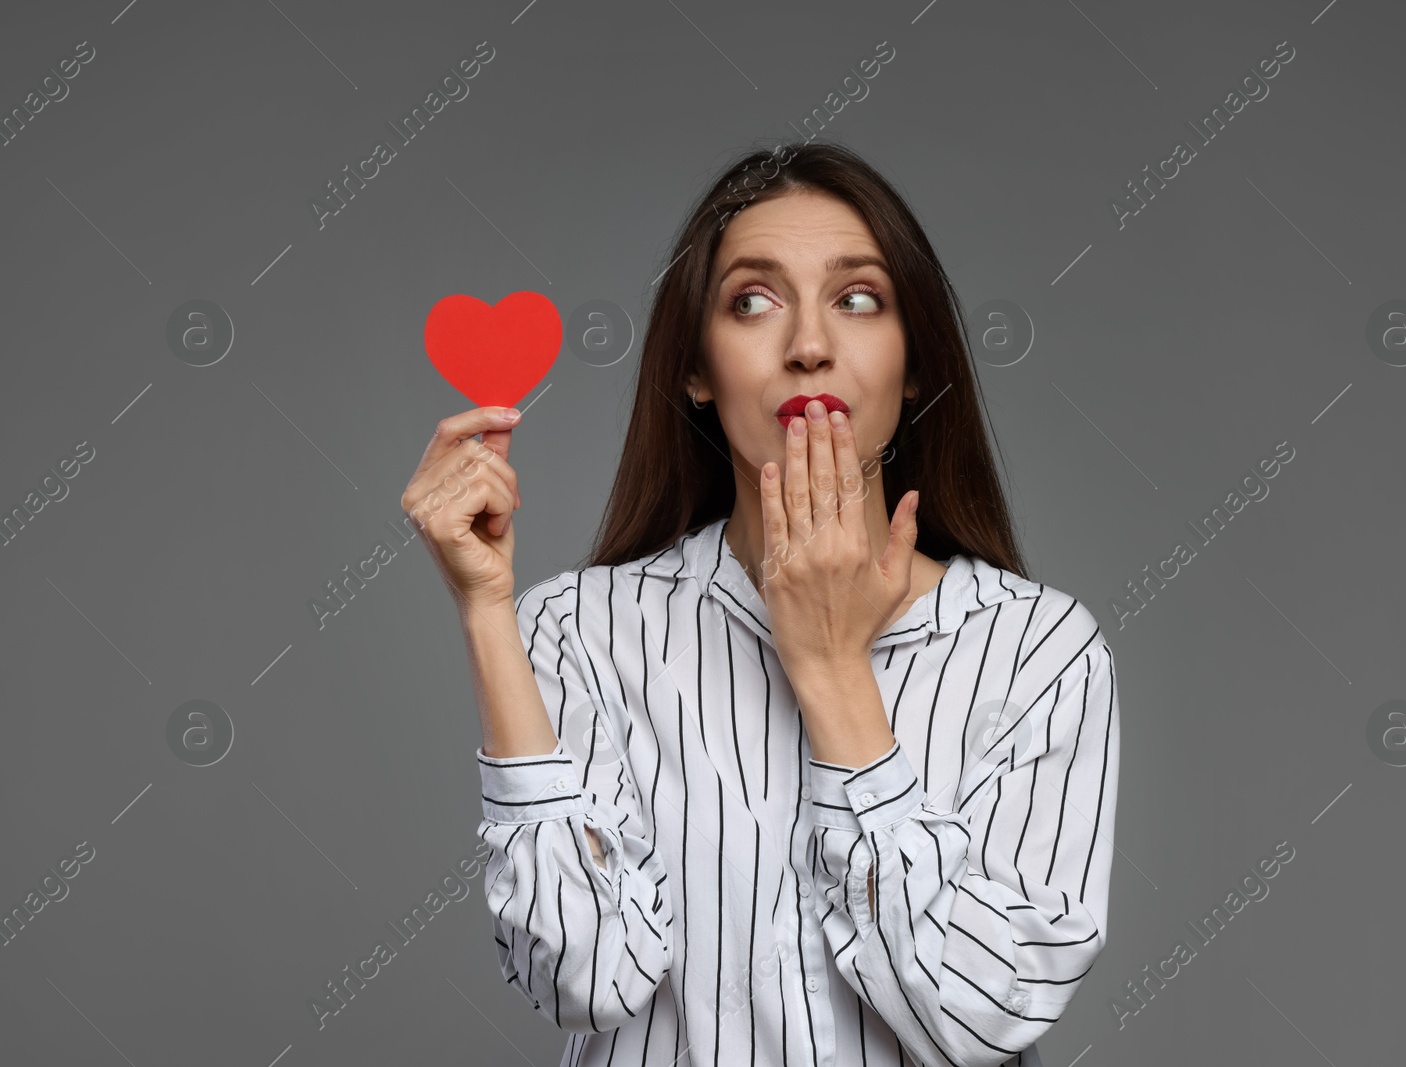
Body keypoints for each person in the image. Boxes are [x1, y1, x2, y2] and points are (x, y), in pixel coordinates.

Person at [401, 140, 1120, 1067]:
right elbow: (582, 975)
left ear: (913, 366)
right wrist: (487, 609)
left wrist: (832, 668)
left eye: (858, 298)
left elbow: (982, 1012)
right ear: (698, 369)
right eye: (753, 300)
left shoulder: (1039, 652)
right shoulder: (580, 630)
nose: (809, 345)